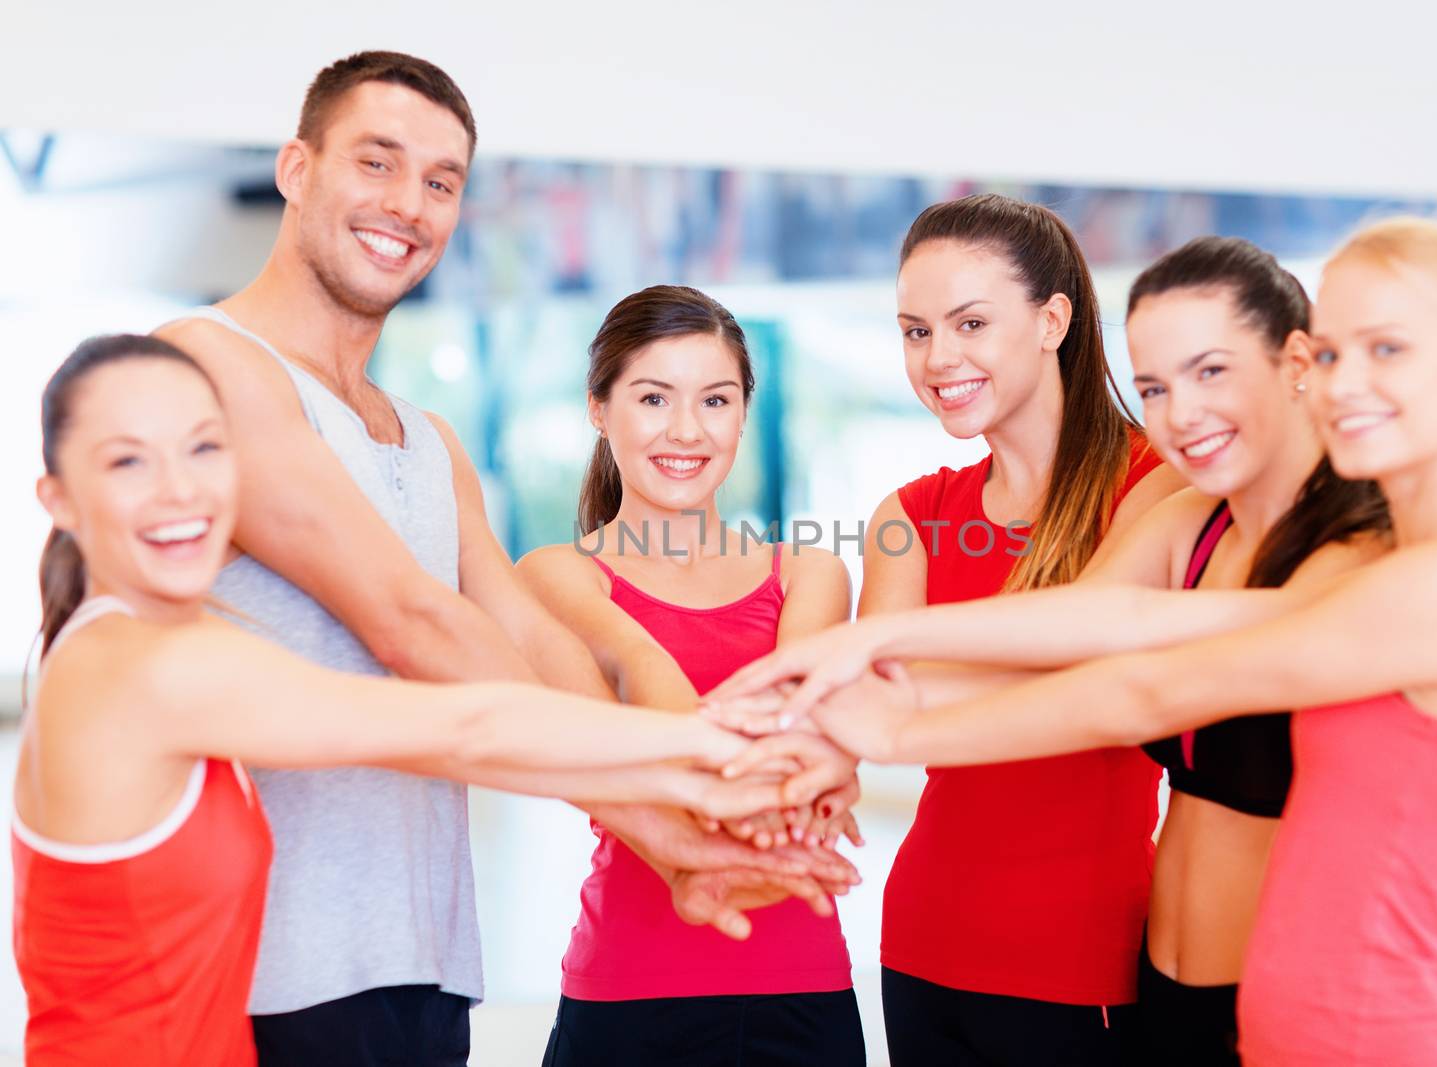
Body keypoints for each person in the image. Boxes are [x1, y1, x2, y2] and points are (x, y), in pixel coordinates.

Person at [725, 217, 1437, 1065]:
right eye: (1335, 352)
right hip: (1229, 1006)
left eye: (1387, 349)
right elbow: (1122, 621)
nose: (1344, 382)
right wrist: (873, 653)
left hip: (1354, 1029)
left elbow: (1143, 686)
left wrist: (890, 727)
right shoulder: (1296, 550)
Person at [152, 51, 842, 1064]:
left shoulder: (426, 438)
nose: (408, 203)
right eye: (376, 162)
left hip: (425, 957)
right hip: (272, 960)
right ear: (297, 167)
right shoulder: (208, 364)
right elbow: (410, 619)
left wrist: (662, 833)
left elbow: (518, 634)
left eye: (440, 181)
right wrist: (678, 791)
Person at [13, 335, 846, 1067]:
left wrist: (676, 837)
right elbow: (464, 725)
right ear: (58, 499)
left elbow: (460, 733)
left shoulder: (170, 644)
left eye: (203, 450)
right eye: (128, 461)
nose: (179, 491)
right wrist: (701, 769)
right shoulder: (140, 667)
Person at [822, 192, 1183, 1064]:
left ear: (1053, 318)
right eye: (915, 331)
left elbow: (1090, 660)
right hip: (923, 939)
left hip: (1081, 957)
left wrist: (882, 689)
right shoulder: (909, 513)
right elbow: (883, 711)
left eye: (971, 323)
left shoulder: (1159, 486)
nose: (939, 357)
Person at [518, 285, 865, 1065]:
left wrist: (793, 747)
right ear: (599, 409)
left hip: (802, 989)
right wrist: (781, 752)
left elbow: (790, 735)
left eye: (715, 399)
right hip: (628, 988)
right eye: (652, 397)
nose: (686, 429)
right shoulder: (556, 577)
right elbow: (656, 687)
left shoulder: (810, 574)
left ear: (744, 412)